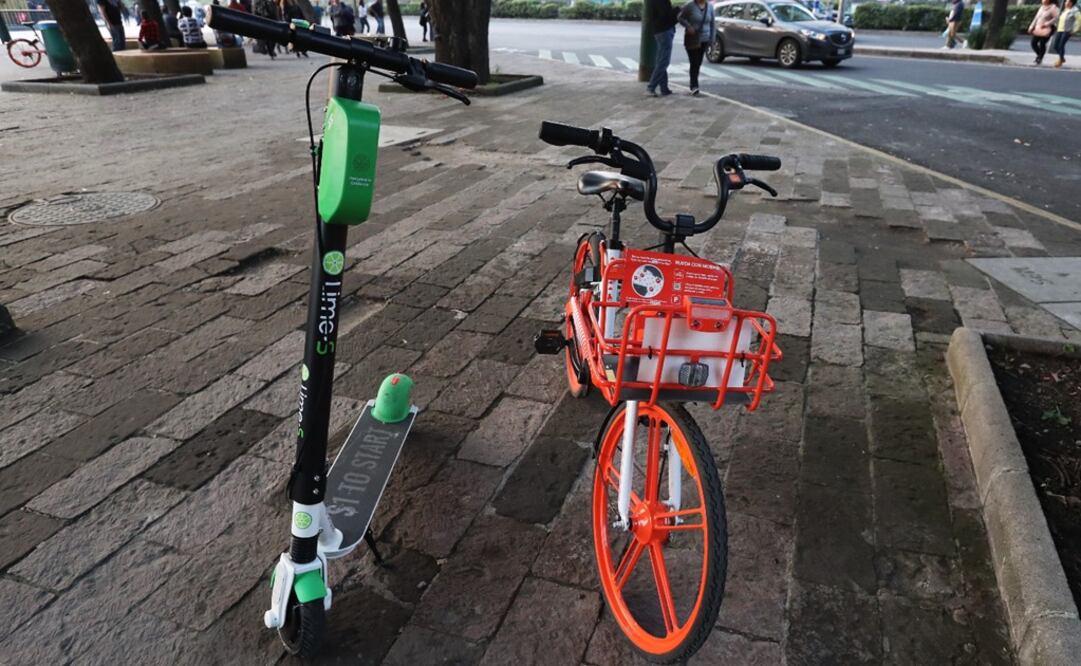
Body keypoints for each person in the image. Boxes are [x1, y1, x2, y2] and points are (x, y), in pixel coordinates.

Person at [678, 0, 713, 95]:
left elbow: (712, 24)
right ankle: (694, 85)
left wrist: (712, 39)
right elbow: (680, 17)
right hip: (692, 39)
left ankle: (694, 83)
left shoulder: (710, 7)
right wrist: (688, 26)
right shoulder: (690, 6)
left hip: (705, 39)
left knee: (698, 62)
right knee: (694, 62)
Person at [647, 0, 678, 97]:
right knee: (663, 61)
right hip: (664, 31)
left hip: (661, 30)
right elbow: (664, 17)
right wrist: (677, 10)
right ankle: (651, 87)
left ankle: (664, 88)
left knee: (661, 59)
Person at [1029, 0, 1060, 65]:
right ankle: (1039, 55)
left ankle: (1040, 58)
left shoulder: (1053, 8)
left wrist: (1047, 23)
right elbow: (1036, 18)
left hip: (1048, 28)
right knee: (1033, 43)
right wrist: (1031, 26)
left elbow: (1057, 17)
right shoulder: (1042, 7)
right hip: (1039, 28)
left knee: (1042, 43)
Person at [1052, 0, 1079, 67]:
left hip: (1067, 31)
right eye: (1066, 1)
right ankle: (1062, 57)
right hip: (1060, 30)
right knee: (1055, 46)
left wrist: (1075, 29)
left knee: (1061, 45)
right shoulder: (1065, 10)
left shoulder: (1075, 11)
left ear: (1071, 3)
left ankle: (1060, 60)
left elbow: (1080, 21)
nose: (1066, 3)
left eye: (1068, 1)